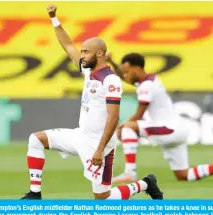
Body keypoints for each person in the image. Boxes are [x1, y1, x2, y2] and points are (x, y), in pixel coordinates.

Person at [20, 5, 163, 200]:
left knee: (102, 199)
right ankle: (34, 194)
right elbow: (68, 45)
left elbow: (113, 117)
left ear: (99, 53)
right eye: (82, 51)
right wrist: (54, 18)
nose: (82, 55)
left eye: (86, 52)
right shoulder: (88, 70)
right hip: (81, 135)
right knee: (35, 139)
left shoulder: (110, 80)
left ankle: (145, 183)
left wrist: (99, 149)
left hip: (99, 143)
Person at [106, 52, 213, 183]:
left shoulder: (146, 87)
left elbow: (139, 116)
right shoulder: (151, 79)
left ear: (136, 68)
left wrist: (122, 126)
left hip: (168, 129)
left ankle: (130, 172)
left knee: (128, 127)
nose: (125, 75)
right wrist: (112, 62)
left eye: (127, 71)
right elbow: (124, 77)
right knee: (184, 175)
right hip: (177, 130)